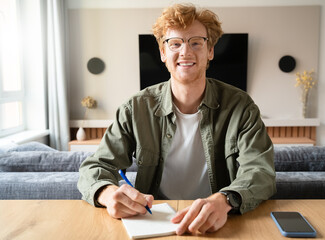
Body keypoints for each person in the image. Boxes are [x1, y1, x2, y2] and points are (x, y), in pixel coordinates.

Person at [78, 3, 276, 235]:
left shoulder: (241, 107)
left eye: (196, 42)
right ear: (163, 53)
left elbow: (261, 172)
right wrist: (107, 193)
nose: (185, 52)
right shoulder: (135, 108)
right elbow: (96, 166)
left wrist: (225, 200)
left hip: (218, 221)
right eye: (175, 44)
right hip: (153, 222)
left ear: (210, 50)